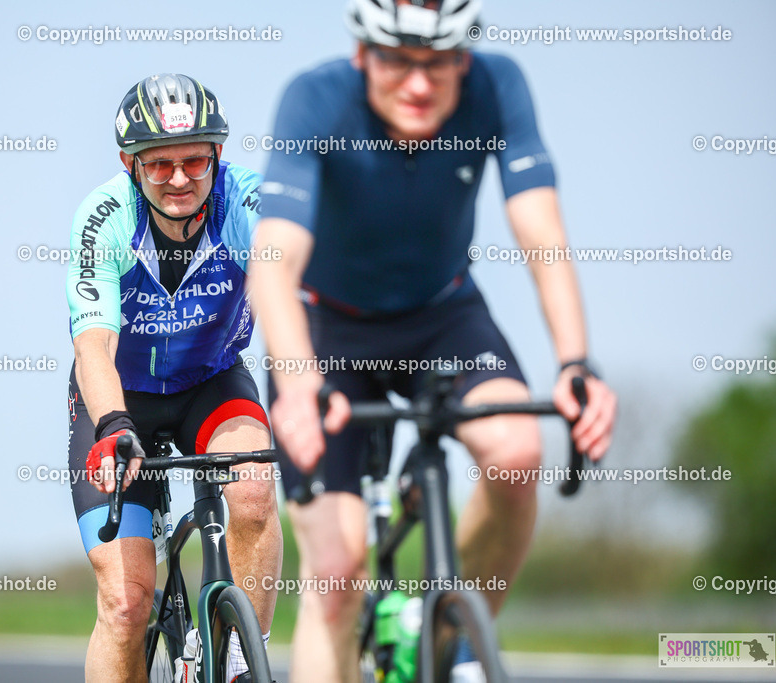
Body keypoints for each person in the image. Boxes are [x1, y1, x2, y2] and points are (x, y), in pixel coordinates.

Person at [249, 1, 618, 681]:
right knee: (335, 574)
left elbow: (541, 233)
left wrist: (575, 362)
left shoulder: (498, 86)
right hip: (329, 328)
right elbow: (273, 263)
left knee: (516, 449)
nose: (419, 84)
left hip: (442, 316)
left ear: (465, 58)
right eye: (397, 60)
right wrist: (299, 383)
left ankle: (450, 637)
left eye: (439, 63)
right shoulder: (315, 99)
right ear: (362, 54)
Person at [66, 73, 281, 682]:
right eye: (160, 165)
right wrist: (112, 423)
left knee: (255, 489)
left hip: (210, 382)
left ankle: (242, 658)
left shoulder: (246, 203)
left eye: (195, 160)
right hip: (119, 395)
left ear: (218, 155)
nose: (181, 178)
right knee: (127, 604)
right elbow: (93, 345)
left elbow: (288, 298)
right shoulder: (104, 219)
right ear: (130, 165)